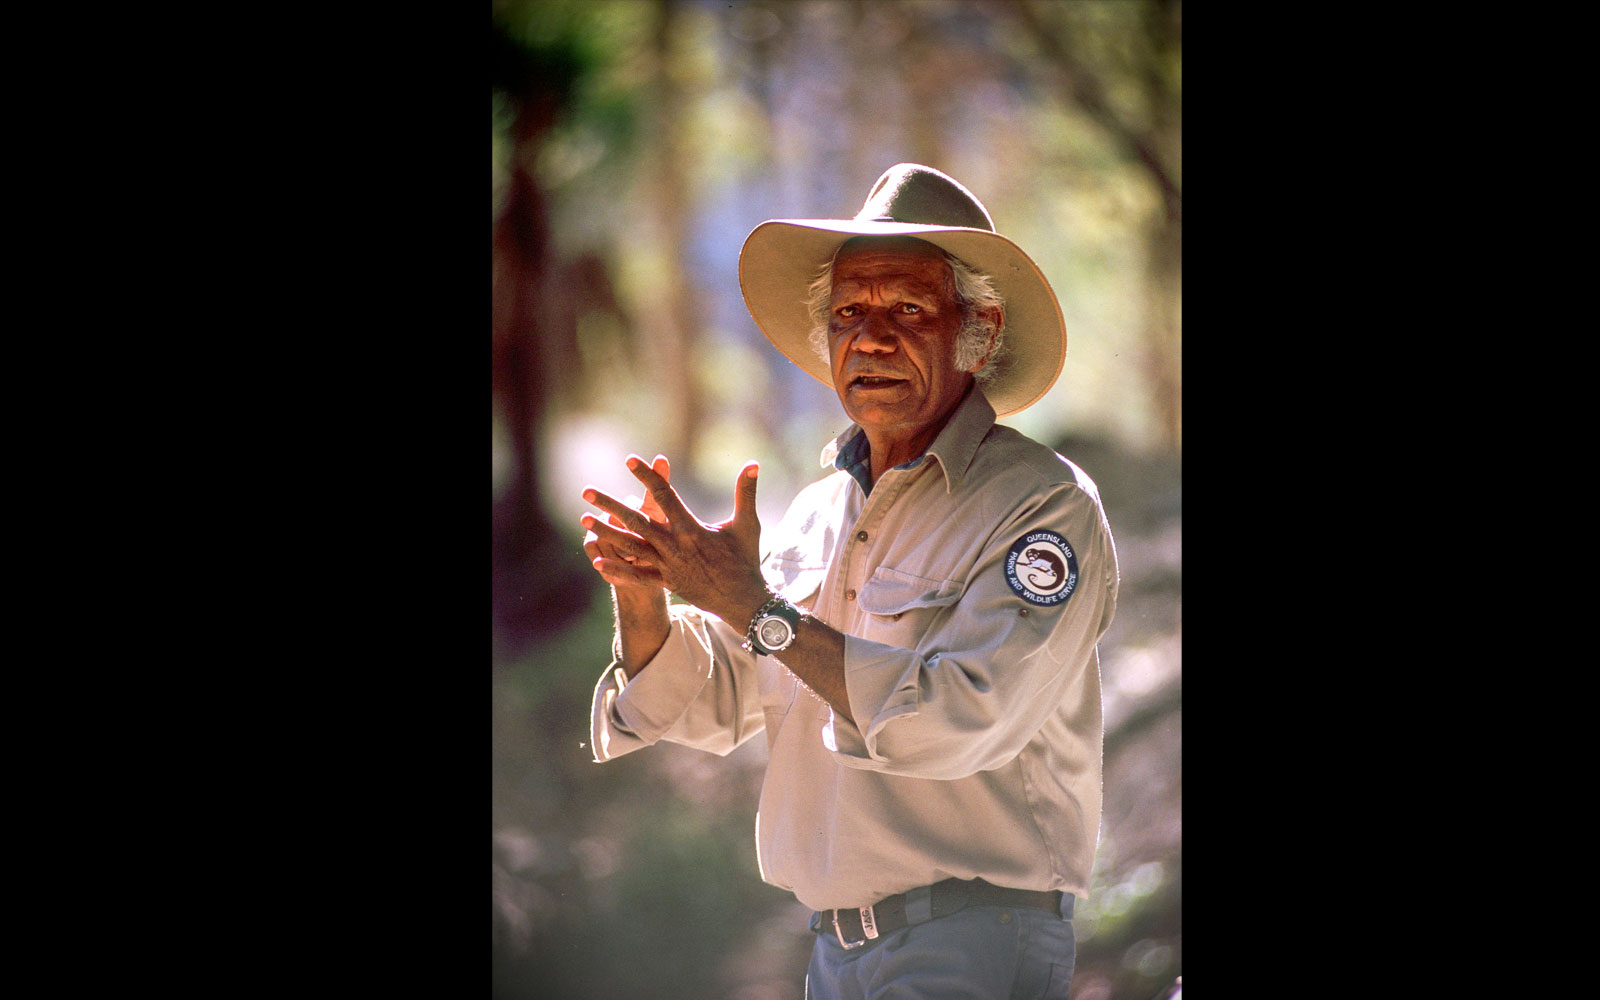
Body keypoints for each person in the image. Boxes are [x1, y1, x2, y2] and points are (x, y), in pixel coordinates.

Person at [579, 163, 1119, 999]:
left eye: (907, 309)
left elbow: (954, 718)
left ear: (978, 331)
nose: (870, 337)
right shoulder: (821, 509)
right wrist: (646, 596)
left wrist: (757, 609)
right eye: (847, 313)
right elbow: (718, 701)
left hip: (971, 940)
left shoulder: (1042, 506)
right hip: (834, 956)